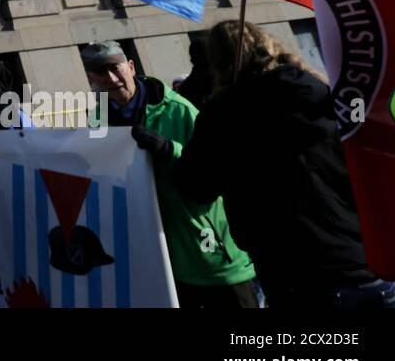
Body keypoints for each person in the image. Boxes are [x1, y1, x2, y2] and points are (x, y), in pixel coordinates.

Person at [150, 21, 395, 310]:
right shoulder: (323, 93)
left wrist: (167, 150)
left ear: (216, 63)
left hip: (299, 282)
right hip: (367, 268)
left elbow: (195, 186)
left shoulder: (223, 116)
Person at [80, 40, 260, 308]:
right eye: (99, 72)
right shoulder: (96, 121)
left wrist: (168, 150)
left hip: (211, 255)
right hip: (156, 260)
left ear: (130, 66)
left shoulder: (179, 109)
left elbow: (217, 172)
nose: (111, 78)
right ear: (91, 78)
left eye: (115, 68)